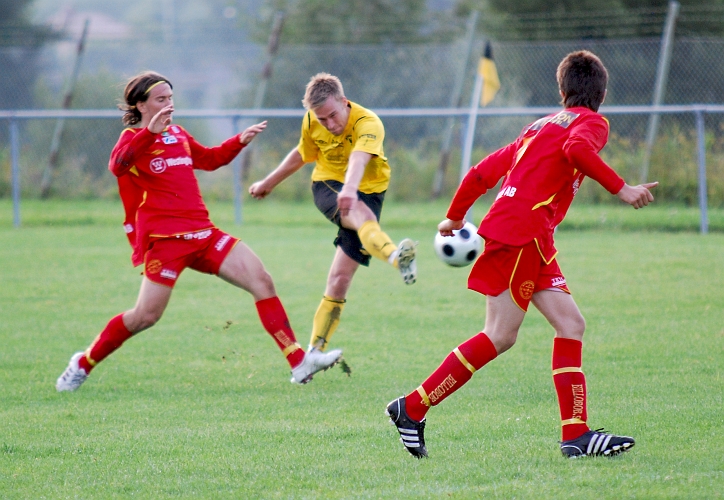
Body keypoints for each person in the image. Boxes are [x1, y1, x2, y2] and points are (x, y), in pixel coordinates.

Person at [386, 51, 659, 459]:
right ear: (601, 94)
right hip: (521, 234)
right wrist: (623, 189)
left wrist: (453, 217)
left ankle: (576, 435)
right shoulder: (591, 122)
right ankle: (412, 407)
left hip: (532, 237)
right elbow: (577, 153)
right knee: (499, 335)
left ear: (562, 90)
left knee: (571, 324)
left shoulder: (538, 126)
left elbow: (482, 172)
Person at [56, 71, 342, 391]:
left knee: (261, 280)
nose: (169, 105)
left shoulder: (177, 133)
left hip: (203, 233)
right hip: (166, 242)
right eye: (161, 99)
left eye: (170, 98)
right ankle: (83, 363)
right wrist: (148, 133)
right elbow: (118, 165)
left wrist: (239, 141)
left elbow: (209, 159)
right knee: (145, 316)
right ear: (141, 105)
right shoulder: (131, 141)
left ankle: (299, 362)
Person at [249, 73, 417, 358]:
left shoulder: (368, 123)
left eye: (332, 116)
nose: (329, 124)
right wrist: (268, 182)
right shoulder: (313, 120)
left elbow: (359, 159)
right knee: (362, 216)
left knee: (339, 279)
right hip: (328, 186)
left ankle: (314, 353)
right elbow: (302, 154)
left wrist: (351, 190)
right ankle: (395, 257)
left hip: (368, 190)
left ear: (343, 101)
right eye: (322, 119)